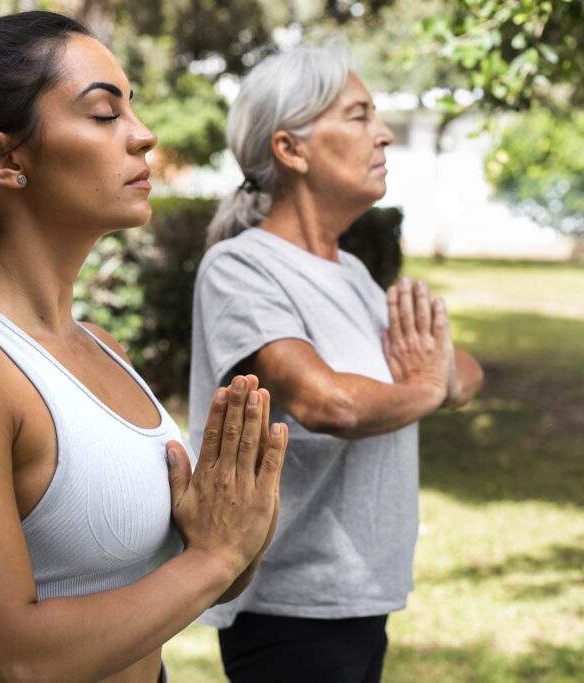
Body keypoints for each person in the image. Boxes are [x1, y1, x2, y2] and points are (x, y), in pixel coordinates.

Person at [0, 11, 289, 682]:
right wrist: (214, 560)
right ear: (3, 157)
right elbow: (10, 662)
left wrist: (233, 536)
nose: (143, 137)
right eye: (103, 114)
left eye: (133, 111)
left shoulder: (101, 347)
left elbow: (188, 584)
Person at [188, 40, 484, 683]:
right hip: (290, 608)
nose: (382, 136)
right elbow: (332, 402)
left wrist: (435, 376)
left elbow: (463, 368)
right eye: (358, 115)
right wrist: (431, 387)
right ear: (290, 150)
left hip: (360, 595)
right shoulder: (242, 267)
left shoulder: (350, 272)